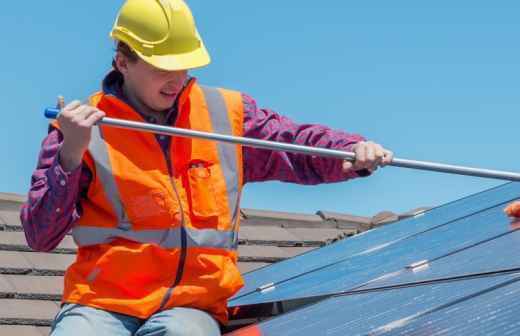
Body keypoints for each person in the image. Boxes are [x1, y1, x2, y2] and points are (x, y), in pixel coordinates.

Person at [21, 1, 393, 335]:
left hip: (192, 305)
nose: (176, 78)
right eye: (161, 66)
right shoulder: (81, 129)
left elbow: (292, 145)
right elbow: (40, 235)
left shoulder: (225, 115)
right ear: (123, 62)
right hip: (101, 306)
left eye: (183, 64)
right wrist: (70, 154)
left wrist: (348, 151)